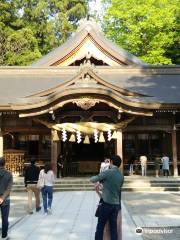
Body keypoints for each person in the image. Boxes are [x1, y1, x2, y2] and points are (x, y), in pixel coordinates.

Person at [90, 155, 124, 240]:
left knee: (100, 227)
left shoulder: (108, 172)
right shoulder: (121, 176)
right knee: (113, 228)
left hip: (106, 204)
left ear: (111, 162)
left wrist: (101, 179)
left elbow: (93, 179)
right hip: (116, 205)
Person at [0, 157, 13, 239]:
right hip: (5, 200)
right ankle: (4, 235)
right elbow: (9, 188)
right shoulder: (9, 174)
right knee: (5, 218)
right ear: (5, 164)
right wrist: (2, 197)